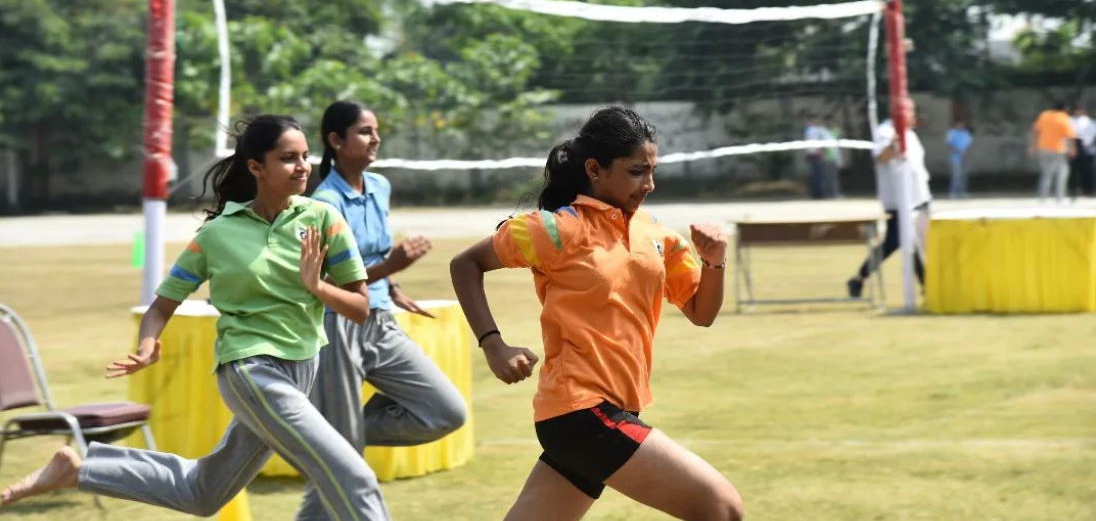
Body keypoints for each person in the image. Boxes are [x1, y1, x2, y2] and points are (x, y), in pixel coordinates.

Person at [0, 115, 390, 520]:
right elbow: (162, 305)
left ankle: (81, 469)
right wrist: (148, 345)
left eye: (305, 156)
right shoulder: (217, 234)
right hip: (250, 369)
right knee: (351, 474)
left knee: (203, 494)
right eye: (288, 158)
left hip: (302, 369)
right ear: (256, 168)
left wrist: (318, 286)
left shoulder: (324, 219)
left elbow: (360, 308)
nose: (303, 166)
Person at [449, 107, 744, 521]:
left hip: (608, 412)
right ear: (594, 169)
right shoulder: (556, 229)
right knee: (722, 506)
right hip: (581, 412)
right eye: (637, 172)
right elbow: (465, 264)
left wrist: (714, 261)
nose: (650, 184)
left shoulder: (654, 232)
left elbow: (701, 311)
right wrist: (493, 345)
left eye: (652, 171)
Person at [297, 101, 467, 521]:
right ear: (336, 141)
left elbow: (369, 251)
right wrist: (390, 266)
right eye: (364, 131)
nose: (375, 138)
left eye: (376, 130)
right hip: (337, 327)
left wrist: (393, 284)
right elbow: (324, 285)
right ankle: (338, 435)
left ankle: (338, 432)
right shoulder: (322, 204)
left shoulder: (380, 187)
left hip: (381, 323)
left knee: (445, 412)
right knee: (341, 465)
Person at [847, 99, 932, 299]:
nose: (912, 114)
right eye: (907, 111)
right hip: (899, 201)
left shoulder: (911, 134)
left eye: (912, 110)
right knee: (909, 242)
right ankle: (926, 285)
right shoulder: (885, 132)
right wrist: (894, 142)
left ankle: (859, 279)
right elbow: (881, 158)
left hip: (919, 197)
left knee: (898, 243)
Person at [1031, 101, 1076, 203]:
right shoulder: (1064, 117)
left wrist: (1034, 145)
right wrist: (1073, 149)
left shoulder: (1044, 115)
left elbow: (1036, 130)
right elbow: (1070, 135)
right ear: (1064, 109)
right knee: (1062, 173)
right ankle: (1059, 198)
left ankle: (1042, 198)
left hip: (1043, 148)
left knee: (1046, 174)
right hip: (1058, 149)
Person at [1069, 106, 1095, 199]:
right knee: (1077, 171)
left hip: (1084, 148)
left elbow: (1091, 135)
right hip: (1079, 146)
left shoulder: (1089, 122)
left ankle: (1086, 189)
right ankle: (1077, 189)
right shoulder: (1071, 120)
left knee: (1084, 171)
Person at [944, 119, 973, 198]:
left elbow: (968, 145)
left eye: (962, 124)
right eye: (959, 124)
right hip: (955, 158)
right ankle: (953, 192)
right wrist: (958, 152)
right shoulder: (951, 133)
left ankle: (963, 192)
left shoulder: (966, 133)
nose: (960, 126)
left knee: (964, 175)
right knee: (956, 175)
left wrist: (965, 155)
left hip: (964, 158)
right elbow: (949, 144)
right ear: (955, 125)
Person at [804, 117, 830, 199]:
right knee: (818, 176)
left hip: (812, 154)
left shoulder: (809, 131)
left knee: (815, 175)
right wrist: (821, 151)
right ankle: (819, 194)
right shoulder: (815, 130)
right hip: (816, 155)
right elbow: (820, 141)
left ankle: (815, 194)